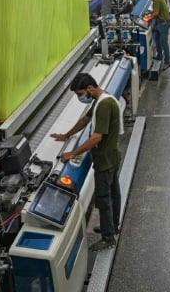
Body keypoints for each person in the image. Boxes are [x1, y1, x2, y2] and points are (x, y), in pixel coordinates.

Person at [51, 73, 124, 252]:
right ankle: (113, 226)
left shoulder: (105, 104)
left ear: (90, 88)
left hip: (105, 160)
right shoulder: (101, 99)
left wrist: (72, 153)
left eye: (80, 94)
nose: (80, 97)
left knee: (104, 197)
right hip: (111, 156)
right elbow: (85, 120)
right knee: (114, 193)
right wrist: (66, 135)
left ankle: (108, 237)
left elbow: (97, 137)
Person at [145, 0, 170, 70]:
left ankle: (167, 62)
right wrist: (151, 12)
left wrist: (147, 18)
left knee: (164, 43)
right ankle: (159, 55)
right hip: (160, 22)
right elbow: (157, 10)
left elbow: (156, 13)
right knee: (156, 38)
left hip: (163, 23)